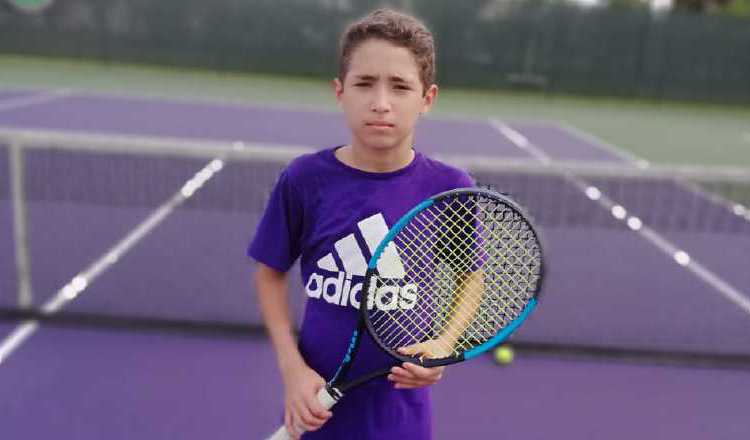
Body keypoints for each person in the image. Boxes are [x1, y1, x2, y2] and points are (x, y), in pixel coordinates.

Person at [248, 8, 474, 439]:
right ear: (340, 91)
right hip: (315, 412)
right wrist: (292, 369)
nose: (381, 102)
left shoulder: (450, 189)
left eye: (400, 86)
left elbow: (470, 279)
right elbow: (269, 273)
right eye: (365, 83)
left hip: (401, 422)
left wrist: (445, 344)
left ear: (427, 99)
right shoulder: (304, 180)